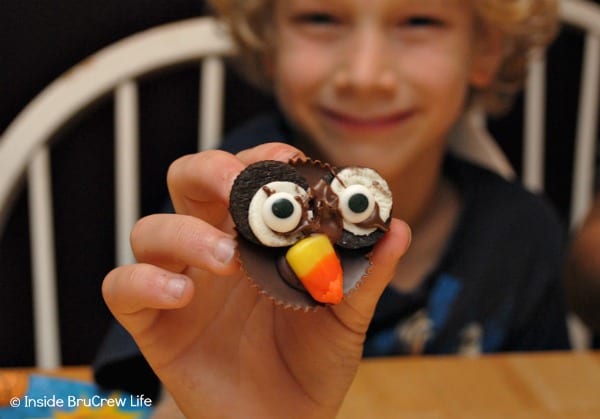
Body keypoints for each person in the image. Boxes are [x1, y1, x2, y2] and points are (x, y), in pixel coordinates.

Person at [98, 0, 570, 416]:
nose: (364, 75)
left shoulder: (521, 235)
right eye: (320, 17)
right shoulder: (222, 215)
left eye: (419, 20)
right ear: (269, 39)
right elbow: (136, 401)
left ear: (485, 48)